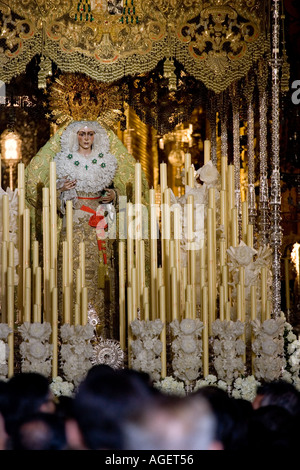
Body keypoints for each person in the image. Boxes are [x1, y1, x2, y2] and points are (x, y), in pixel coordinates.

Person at [25, 117, 149, 341]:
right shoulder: (63, 160)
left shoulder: (107, 161)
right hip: (73, 221)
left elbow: (121, 193)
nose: (85, 138)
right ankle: (71, 332)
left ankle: (100, 332)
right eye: (81, 134)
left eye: (89, 134)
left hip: (99, 222)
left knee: (101, 274)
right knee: (71, 273)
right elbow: (48, 199)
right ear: (75, 136)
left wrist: (114, 196)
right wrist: (60, 187)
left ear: (96, 137)